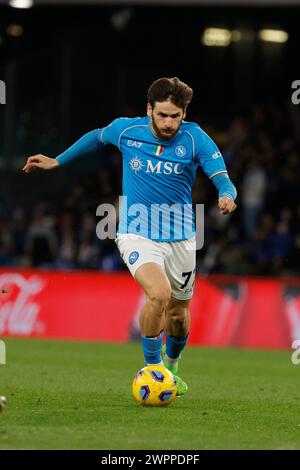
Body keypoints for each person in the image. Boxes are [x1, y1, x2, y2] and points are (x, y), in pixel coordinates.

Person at [23, 77, 237, 397]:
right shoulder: (127, 131)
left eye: (175, 116)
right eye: (162, 115)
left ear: (184, 114)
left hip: (181, 237)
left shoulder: (195, 139)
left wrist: (227, 195)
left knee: (178, 314)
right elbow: (96, 137)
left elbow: (222, 177)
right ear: (149, 109)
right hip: (136, 232)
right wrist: (58, 160)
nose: (168, 123)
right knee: (158, 295)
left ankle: (172, 365)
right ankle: (153, 369)